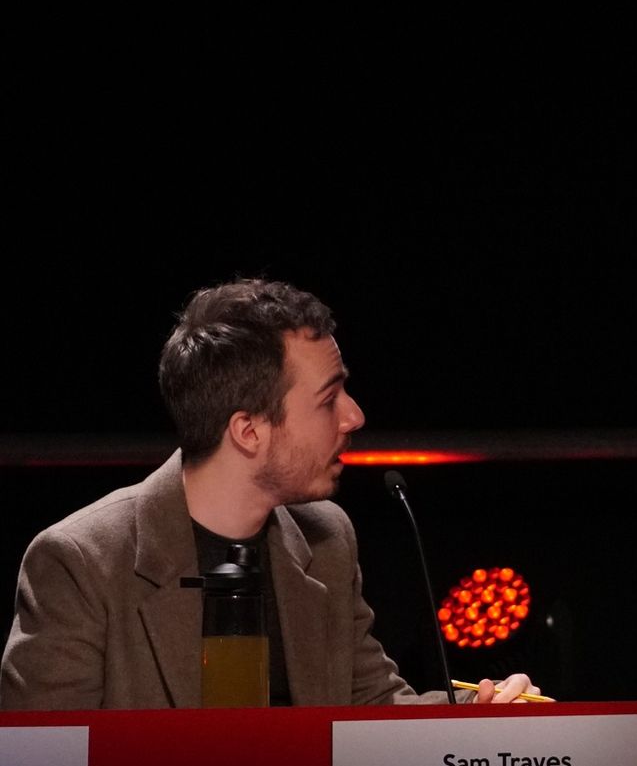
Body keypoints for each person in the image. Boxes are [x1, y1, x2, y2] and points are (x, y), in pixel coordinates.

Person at [2, 279, 538, 709]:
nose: (355, 416)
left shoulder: (327, 537)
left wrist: (476, 721)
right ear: (248, 431)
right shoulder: (79, 562)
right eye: (330, 399)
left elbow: (371, 707)